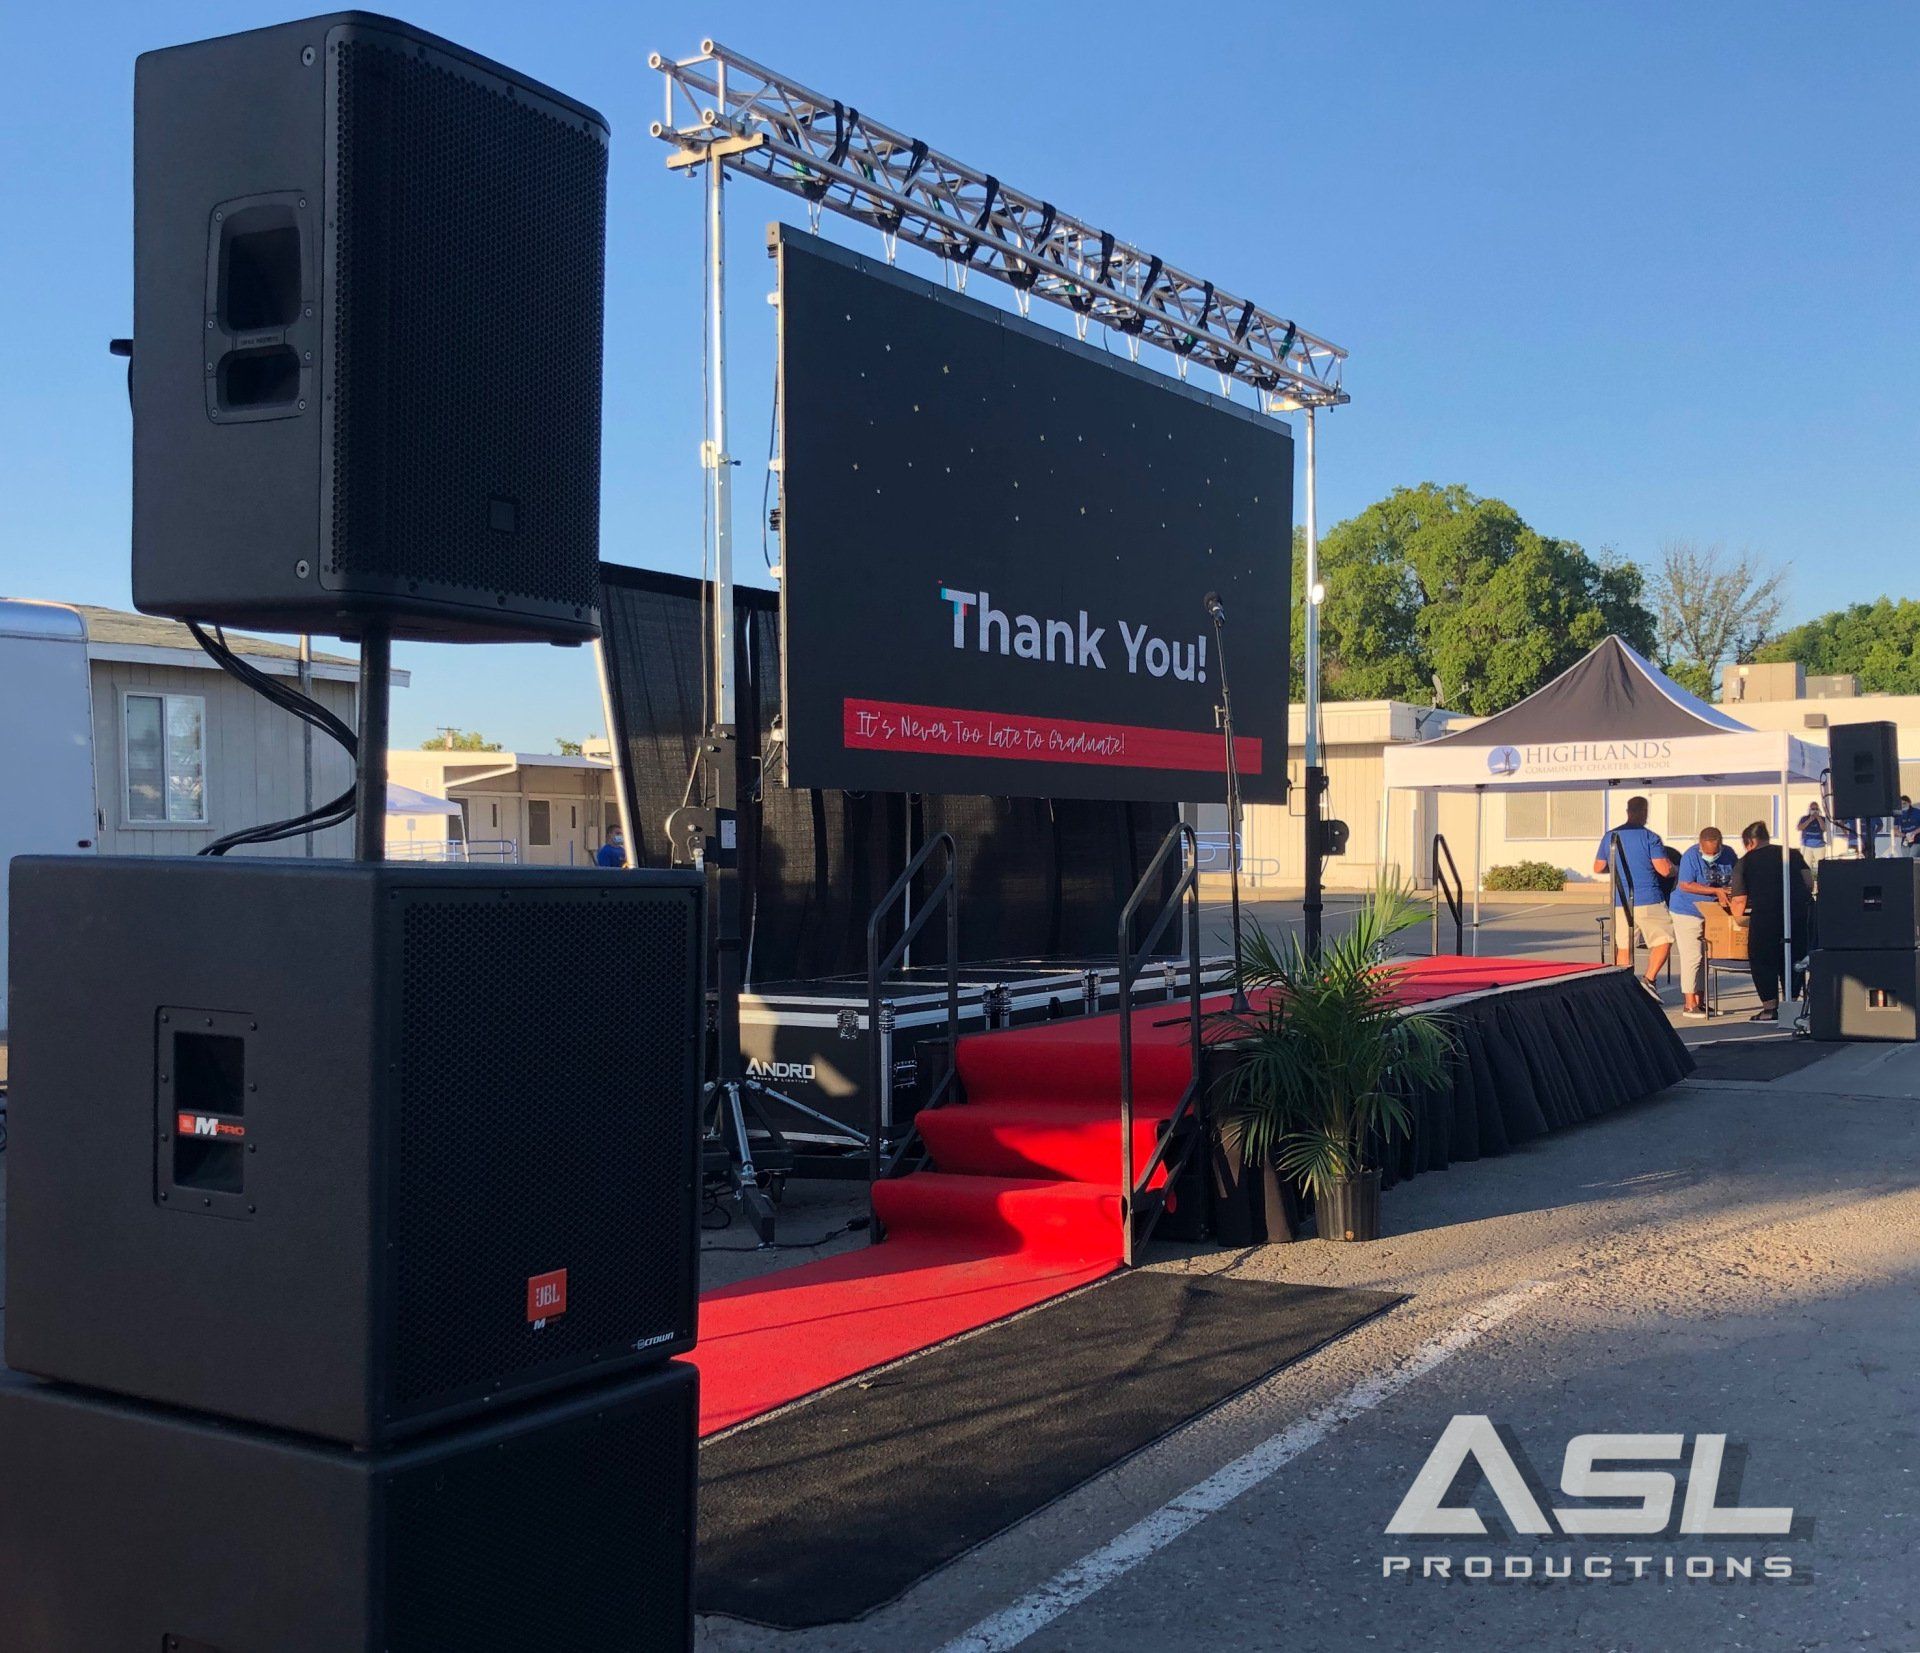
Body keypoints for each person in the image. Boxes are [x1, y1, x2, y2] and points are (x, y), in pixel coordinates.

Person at [1729, 821, 1814, 1022]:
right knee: (1793, 957)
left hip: (1765, 917)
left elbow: (1739, 900)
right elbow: (1809, 882)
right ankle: (1791, 1003)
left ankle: (1770, 1009)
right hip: (1796, 914)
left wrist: (1736, 920)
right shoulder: (1791, 854)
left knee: (1762, 960)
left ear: (1750, 842)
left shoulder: (1745, 862)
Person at [1592, 795, 1676, 996]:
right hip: (1649, 899)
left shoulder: (1610, 836)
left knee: (1624, 946)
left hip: (1621, 901)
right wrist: (1676, 869)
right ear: (1644, 812)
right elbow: (1664, 869)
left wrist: (1617, 868)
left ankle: (1623, 989)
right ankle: (1649, 979)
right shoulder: (1650, 837)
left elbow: (1598, 867)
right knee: (1664, 938)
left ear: (1628, 811)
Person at [1669, 825, 1736, 1020]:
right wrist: (1715, 891)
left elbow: (1736, 879)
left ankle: (1701, 1002)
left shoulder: (1729, 854)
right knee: (1692, 956)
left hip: (1712, 912)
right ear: (1700, 845)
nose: (1711, 856)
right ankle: (1689, 1004)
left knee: (1705, 957)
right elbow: (1685, 884)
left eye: (1715, 853)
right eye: (1707, 853)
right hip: (1687, 910)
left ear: (1721, 846)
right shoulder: (1690, 856)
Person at [1796, 800, 1830, 867]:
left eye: (1816, 809)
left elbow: (1824, 829)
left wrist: (1818, 818)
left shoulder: (1822, 819)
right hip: (1806, 846)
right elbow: (1799, 828)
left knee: (1820, 866)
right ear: (1810, 810)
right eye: (1813, 809)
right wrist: (1809, 820)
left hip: (1819, 846)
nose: (1815, 810)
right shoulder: (1804, 818)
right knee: (1806, 866)